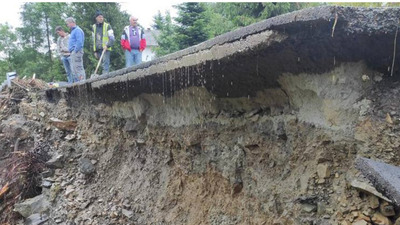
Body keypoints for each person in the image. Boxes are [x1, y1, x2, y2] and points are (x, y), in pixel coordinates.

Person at [66, 17, 86, 82]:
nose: (67, 25)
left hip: (76, 52)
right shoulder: (73, 31)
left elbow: (79, 42)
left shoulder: (77, 30)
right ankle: (78, 84)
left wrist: (75, 51)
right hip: (73, 52)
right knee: (74, 69)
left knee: (78, 68)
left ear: (72, 22)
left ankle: (82, 82)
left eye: (68, 23)